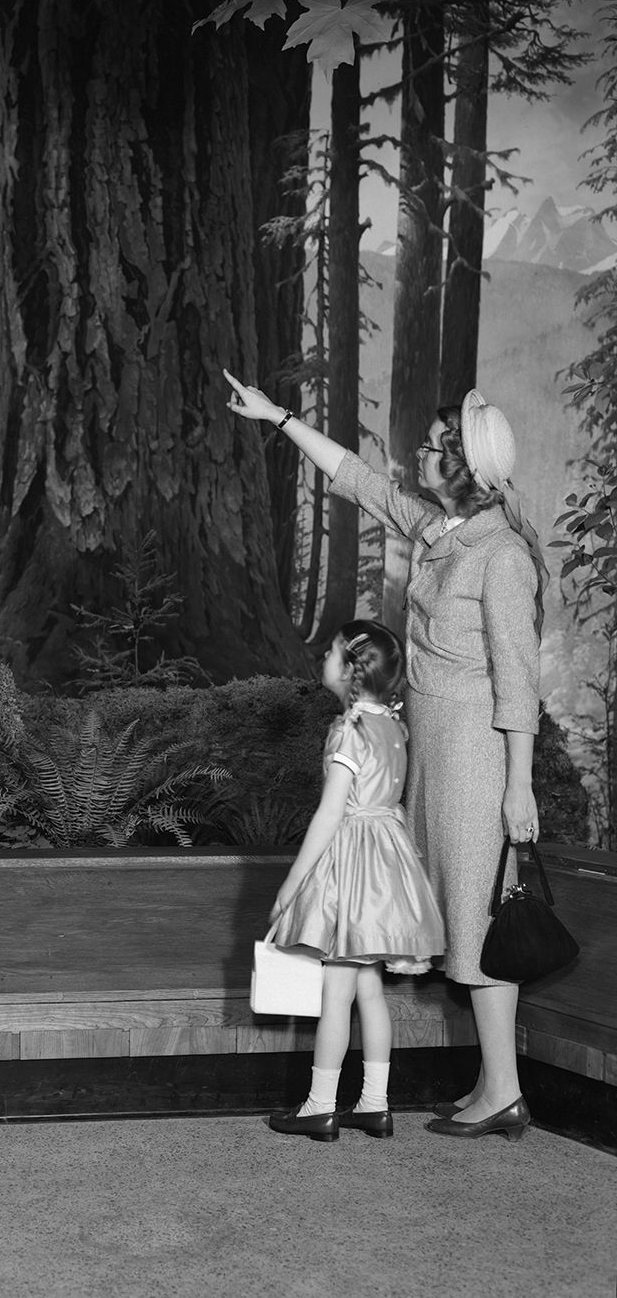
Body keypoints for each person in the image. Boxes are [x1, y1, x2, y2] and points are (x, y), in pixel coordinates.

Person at [226, 370, 544, 1143]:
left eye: (438, 449)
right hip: (430, 751)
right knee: (456, 921)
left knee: (478, 922)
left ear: (465, 470)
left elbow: (518, 677)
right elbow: (357, 479)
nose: (422, 455)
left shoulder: (500, 555)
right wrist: (280, 420)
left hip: (478, 757)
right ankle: (487, 1085)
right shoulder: (441, 532)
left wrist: (519, 788)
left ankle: (502, 1091)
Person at [264, 618, 445, 1143]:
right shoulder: (393, 726)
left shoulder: (350, 730)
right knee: (370, 990)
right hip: (387, 863)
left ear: (352, 672)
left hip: (352, 865)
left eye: (331, 653)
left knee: (336, 991)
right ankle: (374, 1103)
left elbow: (329, 814)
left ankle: (320, 1107)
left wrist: (294, 883)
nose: (322, 659)